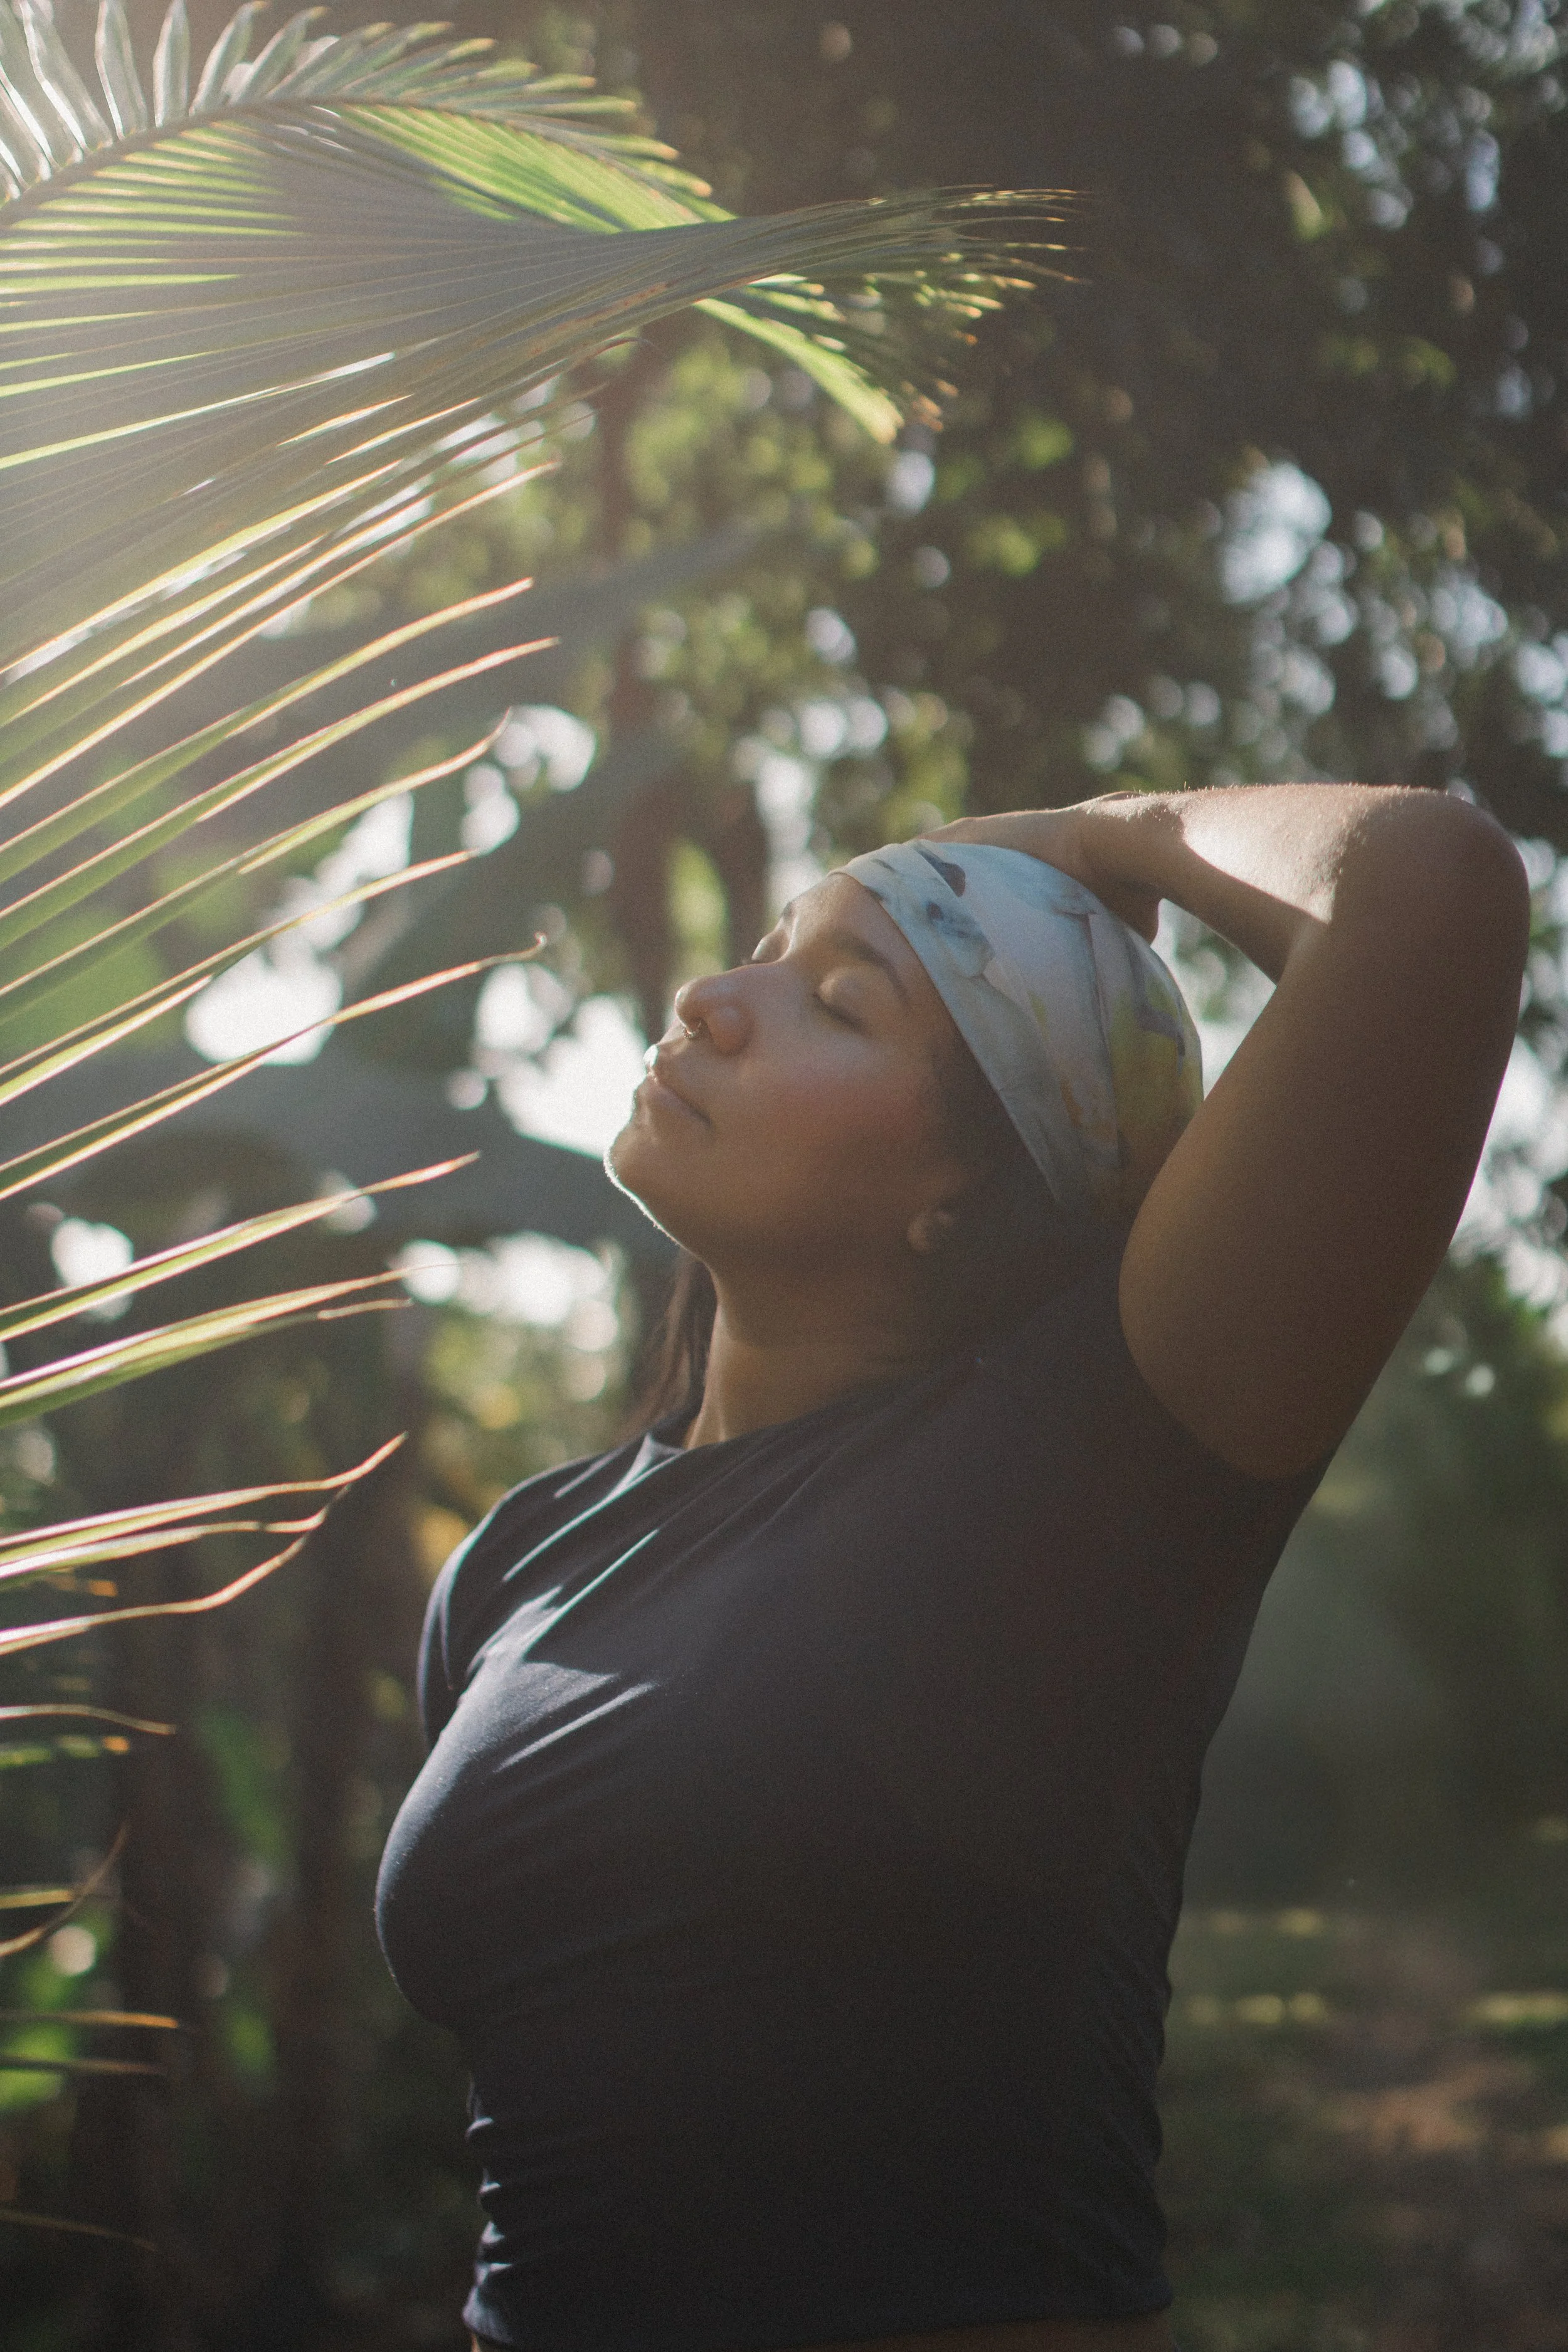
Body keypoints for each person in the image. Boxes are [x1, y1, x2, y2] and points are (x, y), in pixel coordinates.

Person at [376, 782, 1526, 2352]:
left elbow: (1426, 891)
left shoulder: (1078, 1490)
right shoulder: (517, 1564)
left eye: (839, 1004)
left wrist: (1095, 836)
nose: (713, 1003)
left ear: (962, 1196)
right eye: (767, 953)